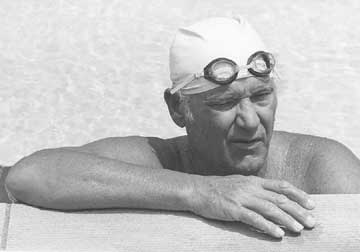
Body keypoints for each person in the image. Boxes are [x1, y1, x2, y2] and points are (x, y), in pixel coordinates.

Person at [4, 16, 360, 239]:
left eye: (262, 96)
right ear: (179, 108)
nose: (250, 120)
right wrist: (199, 192)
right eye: (224, 103)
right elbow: (27, 176)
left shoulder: (318, 167)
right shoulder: (159, 160)